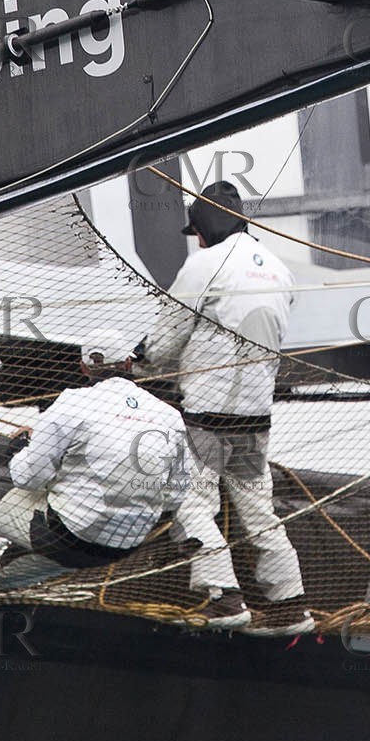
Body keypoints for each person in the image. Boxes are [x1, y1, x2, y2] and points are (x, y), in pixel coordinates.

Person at [0, 329, 194, 594]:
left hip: (69, 533)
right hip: (123, 545)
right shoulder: (170, 417)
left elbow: (27, 478)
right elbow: (176, 496)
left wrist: (19, 448)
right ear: (128, 363)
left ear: (83, 367)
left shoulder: (72, 403)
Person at [139, 182, 314, 637]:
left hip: (207, 410)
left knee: (193, 500)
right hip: (255, 411)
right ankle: (292, 605)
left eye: (196, 231)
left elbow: (165, 340)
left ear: (206, 228)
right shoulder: (279, 268)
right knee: (257, 508)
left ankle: (225, 598)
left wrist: (133, 362)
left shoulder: (204, 264)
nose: (196, 239)